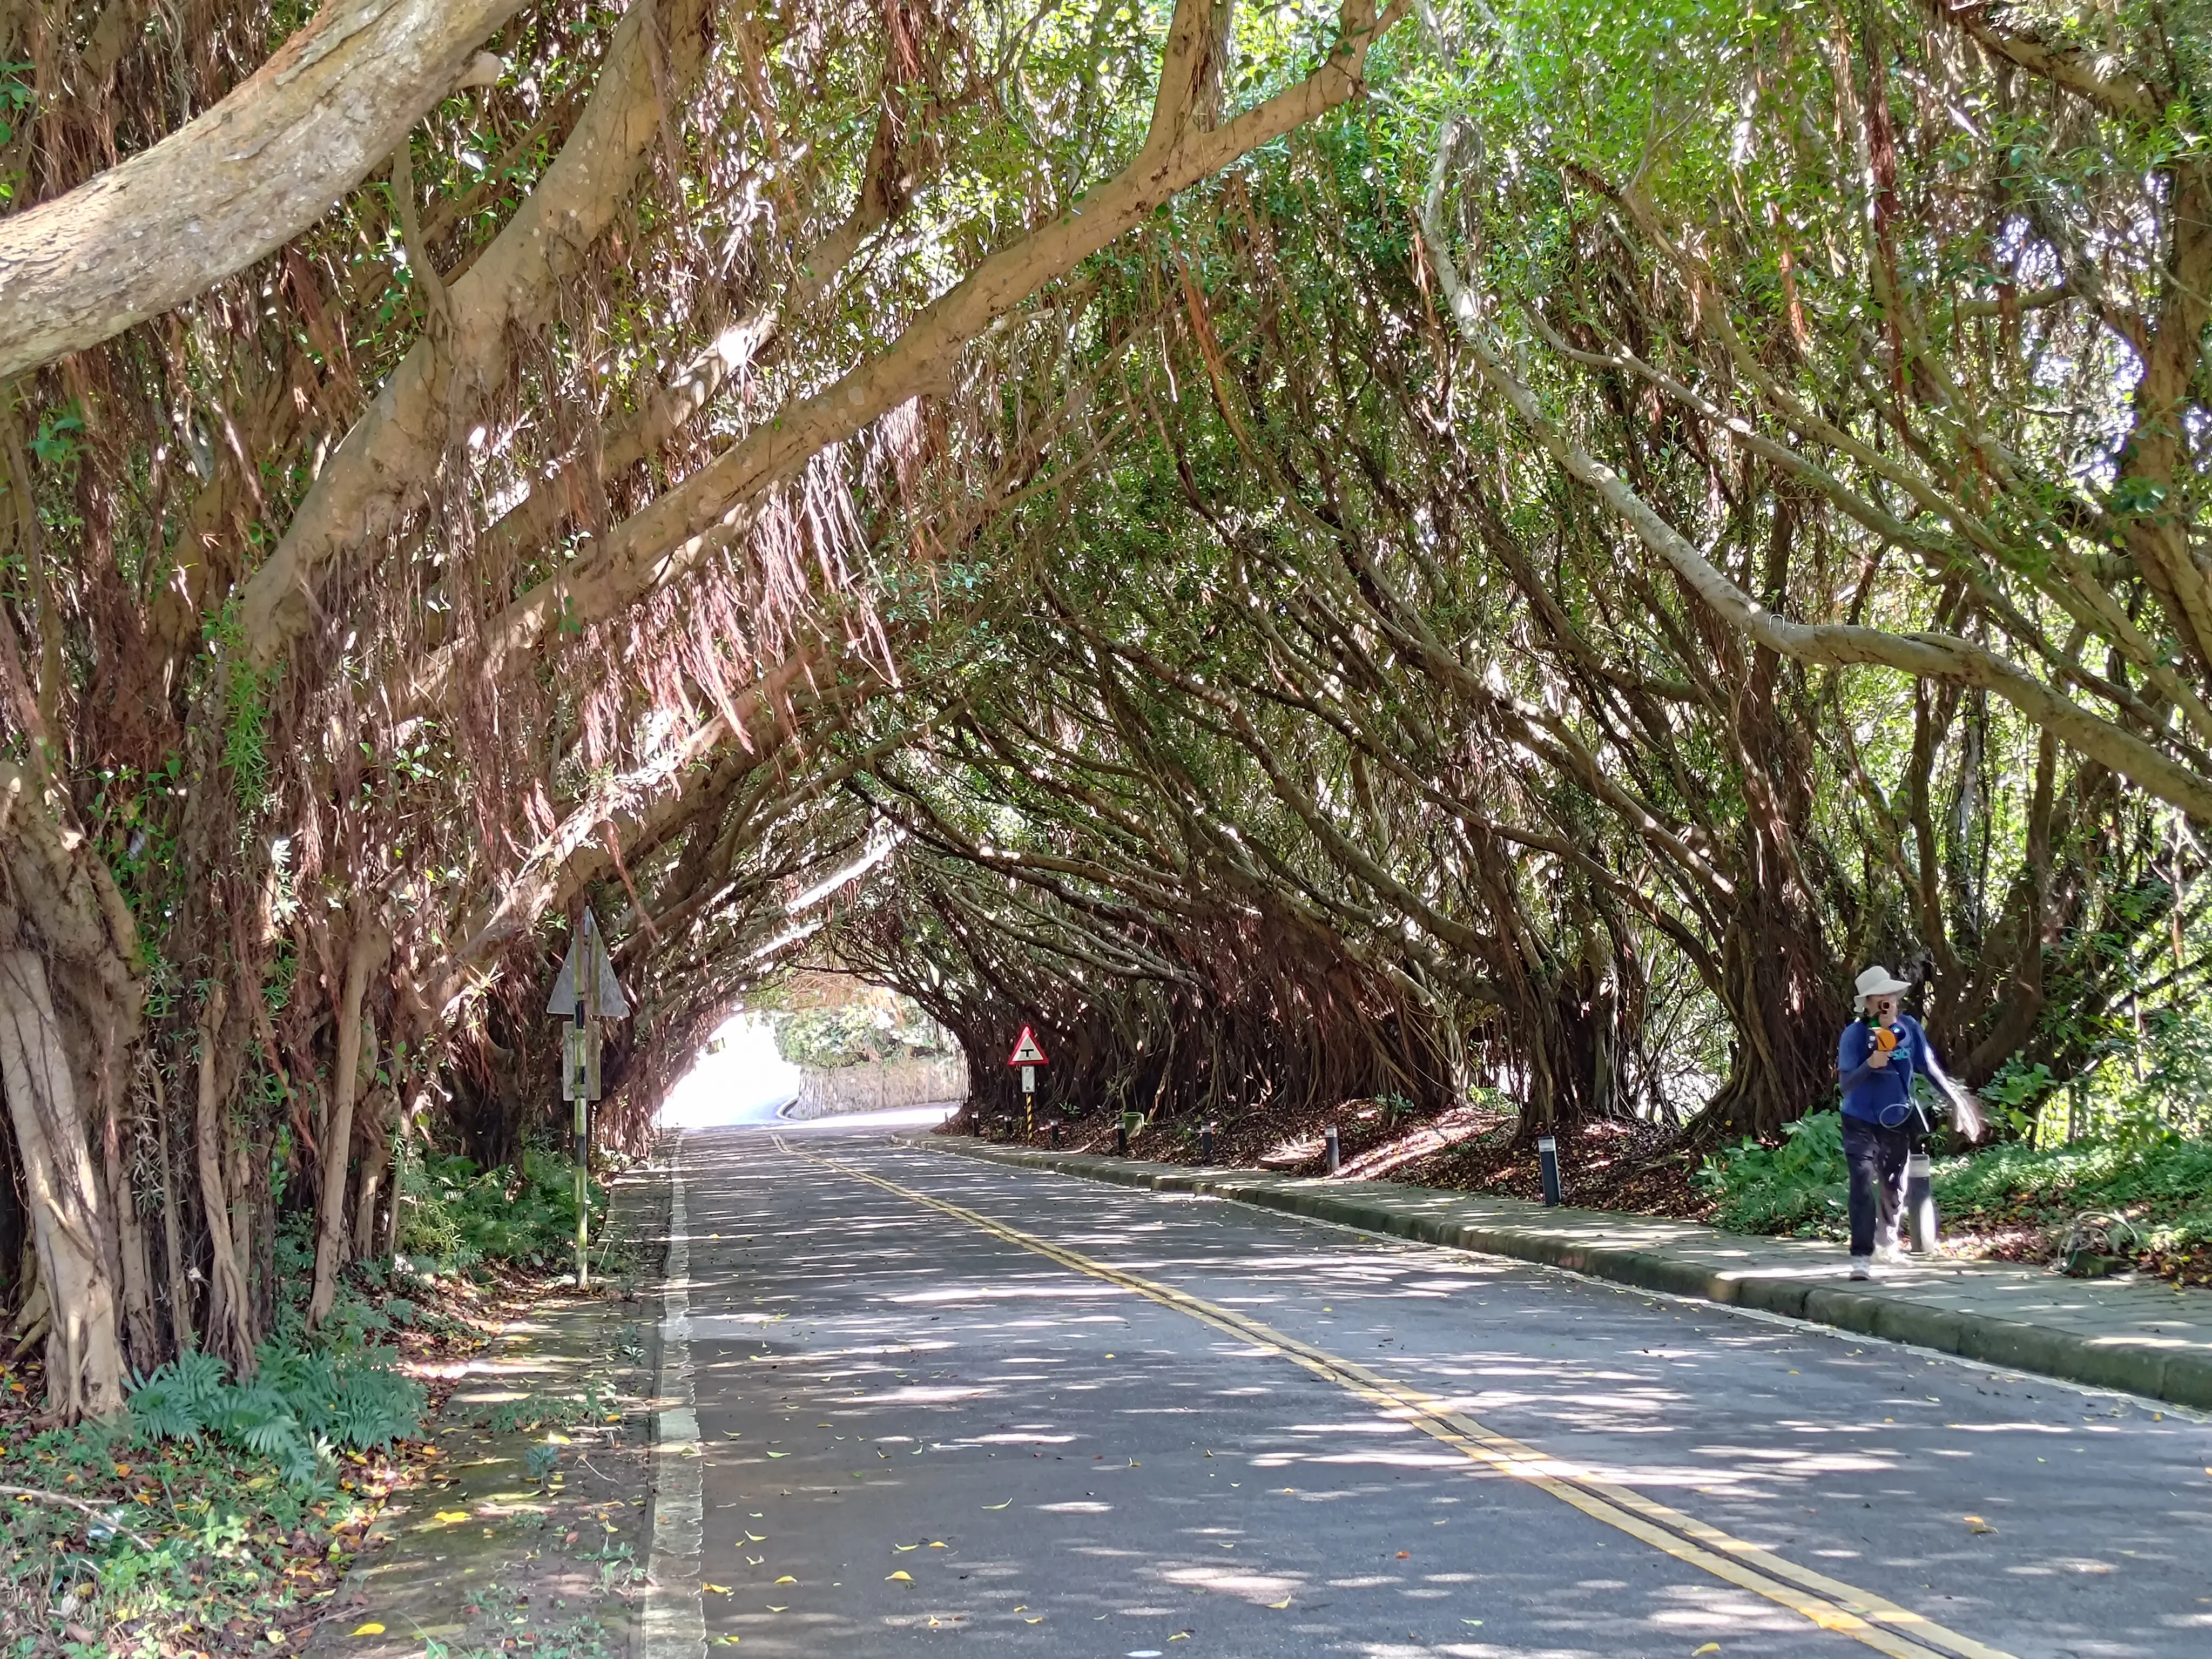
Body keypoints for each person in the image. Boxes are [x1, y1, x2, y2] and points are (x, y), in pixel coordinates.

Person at [1835, 965, 1973, 1279]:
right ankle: (1861, 1257)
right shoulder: (1854, 1035)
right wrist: (1871, 1063)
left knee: (1894, 1185)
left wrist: (1956, 1100)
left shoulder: (1909, 1027)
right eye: (1880, 996)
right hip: (1860, 1120)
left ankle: (1888, 1244)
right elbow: (1846, 1084)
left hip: (1897, 1118)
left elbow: (1928, 1065)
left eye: (1892, 995)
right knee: (1861, 1184)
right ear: (1867, 1003)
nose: (1889, 1001)